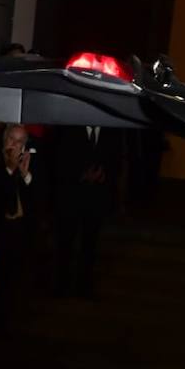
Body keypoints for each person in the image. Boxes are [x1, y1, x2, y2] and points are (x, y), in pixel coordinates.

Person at [52, 124, 122, 298]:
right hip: (70, 199)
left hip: (96, 200)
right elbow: (58, 159)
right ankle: (61, 285)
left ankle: (84, 285)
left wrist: (104, 175)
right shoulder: (69, 129)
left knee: (89, 245)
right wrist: (81, 175)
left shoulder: (112, 132)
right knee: (65, 243)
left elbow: (116, 161)